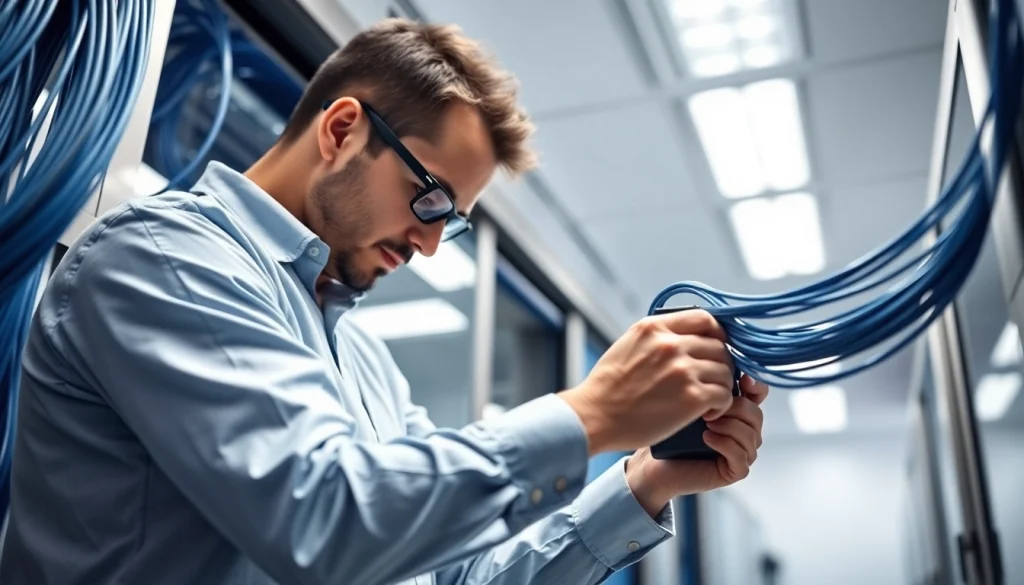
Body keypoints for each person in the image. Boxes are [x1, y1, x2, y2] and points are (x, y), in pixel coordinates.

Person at [0, 17, 769, 585]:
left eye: (453, 222)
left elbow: (454, 575)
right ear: (341, 130)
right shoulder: (164, 261)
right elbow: (326, 522)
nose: (432, 244)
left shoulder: (361, 358)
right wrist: (592, 412)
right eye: (430, 199)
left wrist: (645, 481)